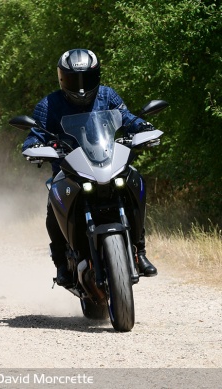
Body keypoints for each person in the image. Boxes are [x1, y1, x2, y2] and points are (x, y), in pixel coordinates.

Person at [22, 48, 158, 286]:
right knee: (53, 206)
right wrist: (34, 147)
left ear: (97, 76)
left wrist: (143, 127)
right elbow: (36, 134)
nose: (81, 87)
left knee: (135, 183)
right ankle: (62, 265)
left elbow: (127, 118)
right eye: (75, 80)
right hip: (69, 170)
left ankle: (140, 250)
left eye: (87, 78)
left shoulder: (107, 95)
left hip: (107, 162)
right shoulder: (49, 105)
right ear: (62, 78)